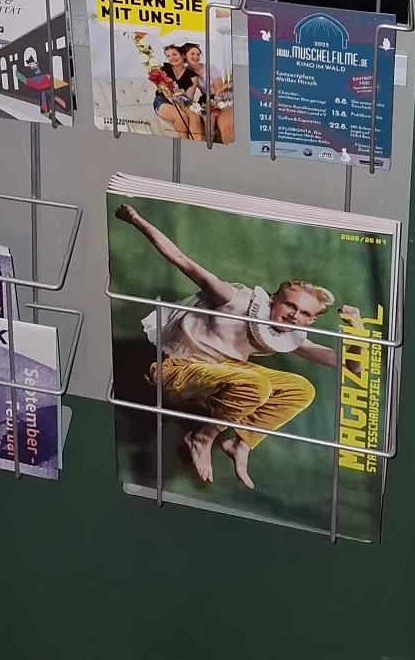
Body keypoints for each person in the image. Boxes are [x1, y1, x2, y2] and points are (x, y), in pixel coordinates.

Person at [114, 200, 361, 491]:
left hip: (218, 377)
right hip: (174, 369)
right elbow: (182, 260)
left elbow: (350, 366)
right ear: (273, 300)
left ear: (310, 321)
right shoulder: (234, 300)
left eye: (304, 313)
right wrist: (136, 220)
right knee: (257, 384)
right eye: (290, 306)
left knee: (301, 390)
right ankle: (202, 438)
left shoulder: (286, 337)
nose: (294, 316)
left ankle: (240, 444)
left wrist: (356, 331)